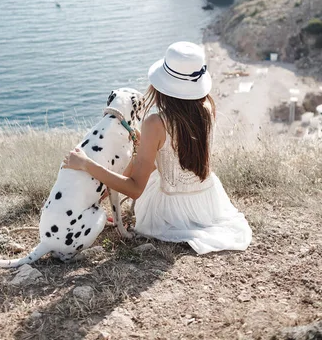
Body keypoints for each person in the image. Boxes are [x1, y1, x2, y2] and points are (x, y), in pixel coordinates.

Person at [63, 41, 252, 254]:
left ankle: (90, 200)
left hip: (170, 211)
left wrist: (86, 164)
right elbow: (179, 147)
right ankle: (96, 198)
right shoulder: (207, 107)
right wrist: (144, 141)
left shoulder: (156, 122)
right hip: (208, 202)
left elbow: (135, 189)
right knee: (141, 159)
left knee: (134, 165)